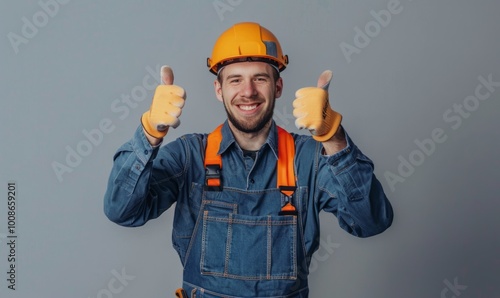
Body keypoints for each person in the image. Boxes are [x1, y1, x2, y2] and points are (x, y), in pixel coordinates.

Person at [104, 22, 393, 298]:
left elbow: (370, 222)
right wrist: (149, 134)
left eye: (260, 78)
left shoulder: (308, 160)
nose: (248, 91)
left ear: (277, 87)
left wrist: (334, 137)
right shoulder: (189, 156)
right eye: (235, 80)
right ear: (219, 91)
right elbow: (122, 211)